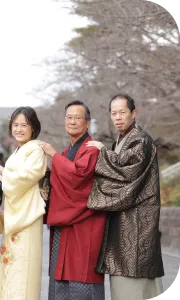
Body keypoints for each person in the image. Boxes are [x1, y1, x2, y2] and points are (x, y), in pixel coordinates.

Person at [86, 94, 164, 300]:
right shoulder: (119, 142)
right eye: (114, 113)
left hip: (138, 224)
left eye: (122, 112)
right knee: (124, 286)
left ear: (134, 114)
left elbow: (127, 174)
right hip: (122, 223)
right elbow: (115, 171)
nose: (118, 117)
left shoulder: (141, 139)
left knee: (135, 285)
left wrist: (102, 152)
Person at [40, 100, 106, 300]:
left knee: (82, 276)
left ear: (87, 123)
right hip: (64, 224)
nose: (73, 121)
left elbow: (78, 177)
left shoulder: (91, 149)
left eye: (78, 118)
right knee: (60, 277)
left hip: (85, 224)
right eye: (69, 117)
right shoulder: (65, 153)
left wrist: (52, 156)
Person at [0, 106, 47, 300]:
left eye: (23, 125)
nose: (18, 129)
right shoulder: (18, 151)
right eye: (15, 125)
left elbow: (22, 179)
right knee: (11, 271)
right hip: (16, 215)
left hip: (26, 217)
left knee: (23, 274)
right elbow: (9, 181)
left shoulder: (35, 149)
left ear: (33, 127)